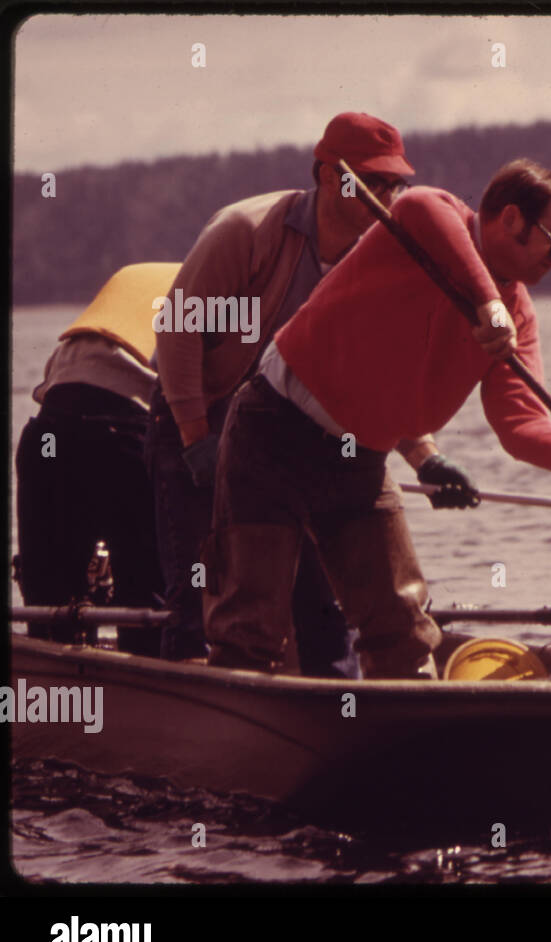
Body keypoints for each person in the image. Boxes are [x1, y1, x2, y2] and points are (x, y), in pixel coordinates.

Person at [203, 158, 551, 677]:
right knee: (249, 628)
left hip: (358, 462)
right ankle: (234, 731)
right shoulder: (432, 222)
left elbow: (520, 425)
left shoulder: (517, 315)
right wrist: (485, 302)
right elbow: (417, 204)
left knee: (403, 633)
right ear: (513, 220)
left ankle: (408, 735)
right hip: (273, 430)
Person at [146, 111, 473, 675]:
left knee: (326, 604)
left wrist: (426, 456)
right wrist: (197, 438)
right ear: (327, 176)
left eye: (394, 184)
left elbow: (381, 377)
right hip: (199, 413)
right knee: (205, 596)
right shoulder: (245, 232)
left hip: (301, 429)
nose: (384, 195)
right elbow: (177, 332)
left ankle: (337, 705)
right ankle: (196, 709)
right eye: (369, 181)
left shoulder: (385, 254)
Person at [15, 264, 179, 656]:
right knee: (146, 592)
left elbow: (53, 387)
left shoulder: (133, 281)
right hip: (124, 437)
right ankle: (153, 689)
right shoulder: (222, 294)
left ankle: (54, 686)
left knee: (50, 605)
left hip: (48, 433)